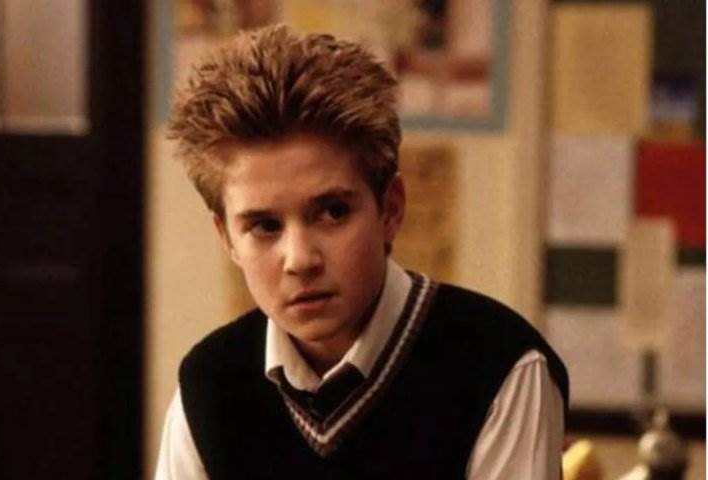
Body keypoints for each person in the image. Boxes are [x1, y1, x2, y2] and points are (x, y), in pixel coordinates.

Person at [155, 24, 568, 479]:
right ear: (227, 238)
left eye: (332, 212)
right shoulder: (209, 384)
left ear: (390, 209)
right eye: (264, 226)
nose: (300, 259)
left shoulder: (498, 365)